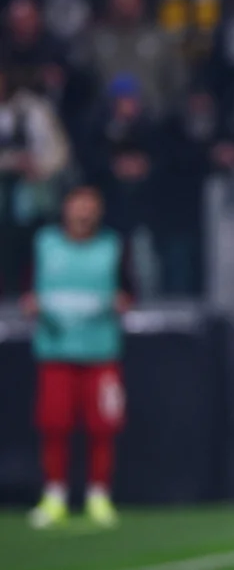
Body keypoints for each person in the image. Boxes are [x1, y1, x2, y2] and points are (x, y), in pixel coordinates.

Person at [24, 186, 134, 529]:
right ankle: (55, 496)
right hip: (55, 354)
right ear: (66, 208)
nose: (84, 212)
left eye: (91, 205)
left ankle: (98, 496)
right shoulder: (44, 244)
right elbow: (27, 290)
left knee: (102, 428)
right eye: (78, 205)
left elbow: (130, 290)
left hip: (101, 354)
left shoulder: (113, 246)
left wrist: (122, 301)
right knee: (54, 426)